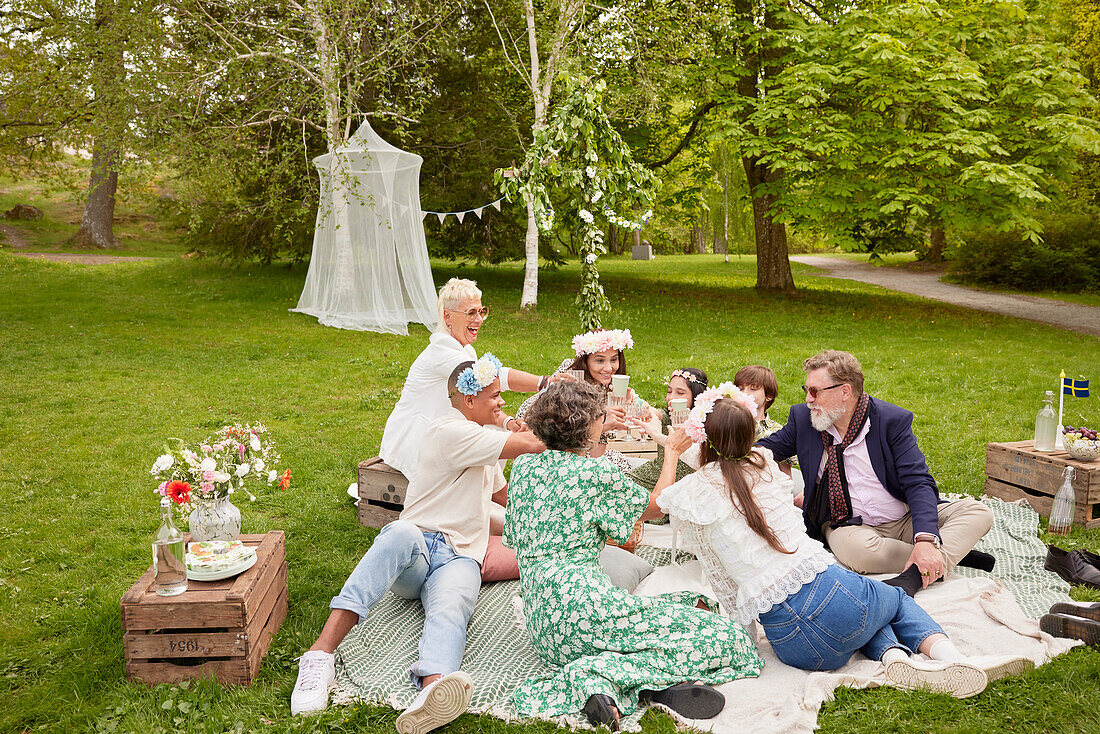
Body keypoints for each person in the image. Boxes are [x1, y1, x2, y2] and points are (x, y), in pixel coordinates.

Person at [655, 387, 1031, 696]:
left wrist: (669, 448)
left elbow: (664, 506)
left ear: (702, 437)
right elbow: (734, 459)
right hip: (835, 598)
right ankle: (954, 658)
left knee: (866, 615)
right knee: (893, 598)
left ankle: (894, 659)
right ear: (752, 436)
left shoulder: (694, 494)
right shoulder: (764, 466)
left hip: (794, 647)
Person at [291, 357, 544, 728]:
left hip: (461, 556)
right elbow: (531, 443)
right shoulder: (448, 431)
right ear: (467, 400)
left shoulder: (485, 444)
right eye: (494, 396)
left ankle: (433, 690)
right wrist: (567, 418)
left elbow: (508, 500)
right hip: (418, 552)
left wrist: (560, 525)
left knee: (453, 605)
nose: (501, 402)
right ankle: (320, 655)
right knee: (400, 531)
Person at [503, 381, 762, 730]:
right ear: (583, 425)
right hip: (587, 609)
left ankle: (622, 684)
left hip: (544, 625)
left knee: (685, 605)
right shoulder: (595, 473)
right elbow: (656, 507)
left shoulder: (524, 468)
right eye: (599, 416)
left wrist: (595, 434)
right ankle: (598, 676)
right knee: (729, 638)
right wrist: (670, 452)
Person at [757, 350, 995, 597]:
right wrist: (723, 445)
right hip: (848, 524)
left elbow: (918, 482)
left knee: (978, 512)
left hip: (903, 518)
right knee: (860, 555)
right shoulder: (805, 420)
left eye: (815, 391)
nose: (808, 399)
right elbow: (763, 451)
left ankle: (918, 569)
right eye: (805, 390)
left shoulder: (890, 421)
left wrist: (924, 540)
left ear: (845, 392)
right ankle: (947, 555)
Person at [380, 277, 556, 478]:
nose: (479, 319)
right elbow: (496, 377)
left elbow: (484, 398)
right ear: (447, 317)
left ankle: (485, 491)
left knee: (497, 431)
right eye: (471, 313)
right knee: (490, 438)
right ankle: (486, 495)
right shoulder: (442, 351)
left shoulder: (465, 350)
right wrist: (545, 383)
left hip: (439, 432)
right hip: (412, 442)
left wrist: (509, 423)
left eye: (481, 311)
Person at [514, 328, 646, 473]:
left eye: (614, 359)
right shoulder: (571, 377)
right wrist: (603, 425)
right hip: (542, 448)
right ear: (585, 361)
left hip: (578, 452)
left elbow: (597, 453)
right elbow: (580, 453)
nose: (609, 368)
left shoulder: (607, 388)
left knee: (633, 466)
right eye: (600, 360)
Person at [627, 367, 709, 494]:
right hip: (654, 477)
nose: (671, 398)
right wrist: (634, 400)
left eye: (680, 393)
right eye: (669, 391)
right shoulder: (667, 417)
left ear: (696, 397)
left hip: (685, 488)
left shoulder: (707, 424)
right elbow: (651, 411)